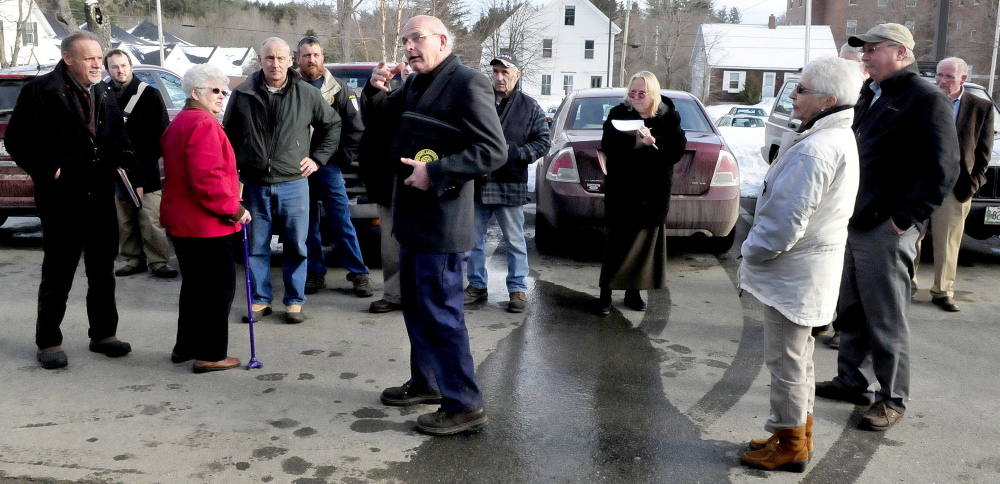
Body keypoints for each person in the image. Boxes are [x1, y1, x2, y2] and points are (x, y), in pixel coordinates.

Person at [361, 15, 506, 435]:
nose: (408, 47)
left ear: (442, 41)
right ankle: (427, 382)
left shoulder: (468, 83)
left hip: (441, 221)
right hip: (410, 219)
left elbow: (492, 150)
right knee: (416, 308)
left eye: (416, 38)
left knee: (442, 314)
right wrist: (374, 90)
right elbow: (381, 120)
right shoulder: (415, 85)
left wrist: (436, 172)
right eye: (405, 40)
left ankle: (464, 404)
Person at [816, 23, 959, 431]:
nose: (865, 56)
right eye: (863, 50)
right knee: (852, 310)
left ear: (900, 52)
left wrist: (903, 219)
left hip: (887, 228)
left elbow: (943, 169)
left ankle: (892, 399)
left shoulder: (925, 98)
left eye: (873, 49)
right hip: (854, 220)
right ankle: (851, 381)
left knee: (886, 318)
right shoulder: (871, 93)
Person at [739, 57, 864, 472]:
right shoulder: (830, 137)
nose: (792, 95)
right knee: (798, 358)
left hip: (794, 275)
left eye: (801, 89)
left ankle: (792, 442)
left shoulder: (817, 148)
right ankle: (794, 432)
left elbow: (784, 223)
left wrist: (752, 251)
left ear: (829, 100)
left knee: (787, 361)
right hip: (806, 272)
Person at [6, 31, 138, 369]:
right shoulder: (41, 91)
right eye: (89, 58)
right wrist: (50, 170)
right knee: (59, 272)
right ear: (68, 59)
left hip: (99, 195)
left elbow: (117, 135)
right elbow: (17, 140)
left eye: (99, 58)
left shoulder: (103, 91)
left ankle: (104, 334)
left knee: (102, 270)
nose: (97, 64)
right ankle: (48, 341)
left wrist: (125, 156)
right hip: (62, 198)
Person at [223, 37, 341, 325]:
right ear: (260, 61)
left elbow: (332, 125)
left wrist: (318, 159)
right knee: (257, 246)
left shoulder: (306, 93)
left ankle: (294, 301)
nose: (275, 64)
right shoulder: (243, 94)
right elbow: (229, 135)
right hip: (254, 183)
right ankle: (261, 299)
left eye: (280, 58)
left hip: (294, 183)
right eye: (269, 58)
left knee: (297, 245)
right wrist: (234, 170)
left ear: (290, 61)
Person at [160, 64, 249, 372]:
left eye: (224, 91)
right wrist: (235, 209)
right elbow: (207, 179)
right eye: (215, 90)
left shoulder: (181, 121)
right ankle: (211, 354)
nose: (222, 96)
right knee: (217, 289)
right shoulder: (203, 123)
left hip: (184, 221)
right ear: (195, 93)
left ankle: (186, 346)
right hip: (205, 224)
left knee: (195, 287)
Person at [463, 55, 550, 313]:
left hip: (510, 182)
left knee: (514, 241)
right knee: (473, 240)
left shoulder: (530, 107)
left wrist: (515, 154)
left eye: (505, 72)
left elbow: (543, 142)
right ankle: (477, 286)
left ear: (517, 75)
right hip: (478, 181)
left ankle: (517, 289)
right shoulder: (478, 101)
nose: (499, 77)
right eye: (496, 72)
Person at [596, 71, 686, 315]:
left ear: (653, 94)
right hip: (623, 191)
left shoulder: (669, 117)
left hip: (652, 193)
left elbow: (677, 151)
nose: (635, 97)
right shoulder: (618, 114)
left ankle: (633, 292)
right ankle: (605, 293)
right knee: (616, 244)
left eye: (641, 93)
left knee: (643, 248)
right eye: (632, 92)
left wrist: (654, 141)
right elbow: (608, 146)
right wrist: (635, 144)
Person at [913, 57, 994, 313]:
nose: (942, 81)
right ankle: (907, 285)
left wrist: (973, 183)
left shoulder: (980, 107)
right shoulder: (923, 100)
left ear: (963, 79)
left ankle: (942, 291)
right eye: (939, 75)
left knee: (948, 242)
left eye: (949, 76)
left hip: (956, 188)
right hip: (920, 185)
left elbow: (984, 152)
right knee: (912, 239)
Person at [296, 36, 373, 298]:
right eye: (306, 55)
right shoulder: (291, 88)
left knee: (342, 222)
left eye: (315, 55)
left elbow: (355, 128)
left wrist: (340, 160)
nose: (311, 59)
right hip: (297, 170)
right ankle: (315, 273)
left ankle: (359, 273)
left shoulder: (339, 89)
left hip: (329, 168)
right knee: (306, 225)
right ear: (298, 59)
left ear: (322, 58)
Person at [103, 49, 177, 279]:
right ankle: (132, 259)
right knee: (123, 220)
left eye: (123, 65)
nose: (120, 70)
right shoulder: (103, 95)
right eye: (114, 67)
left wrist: (143, 167)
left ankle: (159, 262)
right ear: (108, 70)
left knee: (151, 218)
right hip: (116, 169)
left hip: (146, 167)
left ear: (131, 66)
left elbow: (162, 133)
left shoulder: (150, 94)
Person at [360, 62, 413, 314]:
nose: (409, 68)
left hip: (432, 181)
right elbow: (372, 117)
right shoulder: (393, 98)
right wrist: (373, 89)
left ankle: (426, 296)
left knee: (429, 248)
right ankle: (393, 294)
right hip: (391, 181)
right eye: (407, 63)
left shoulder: (446, 95)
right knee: (391, 245)